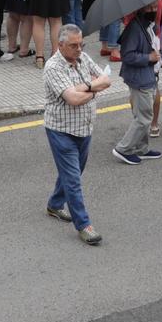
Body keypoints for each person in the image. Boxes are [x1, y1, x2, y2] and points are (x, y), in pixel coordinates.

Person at [42, 25, 110, 245]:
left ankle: (54, 204)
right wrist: (93, 87)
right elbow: (72, 99)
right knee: (73, 179)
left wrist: (85, 87)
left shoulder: (83, 57)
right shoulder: (53, 67)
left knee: (74, 172)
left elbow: (107, 79)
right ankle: (84, 225)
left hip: (84, 128)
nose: (79, 49)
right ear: (60, 45)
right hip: (61, 131)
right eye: (73, 45)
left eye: (81, 44)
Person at [111, 0, 162, 165]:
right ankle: (123, 149)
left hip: (146, 75)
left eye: (155, 7)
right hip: (140, 79)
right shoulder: (134, 28)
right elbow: (127, 56)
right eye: (149, 8)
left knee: (142, 114)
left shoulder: (146, 26)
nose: (153, 11)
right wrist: (149, 57)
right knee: (144, 118)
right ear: (141, 9)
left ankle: (142, 149)